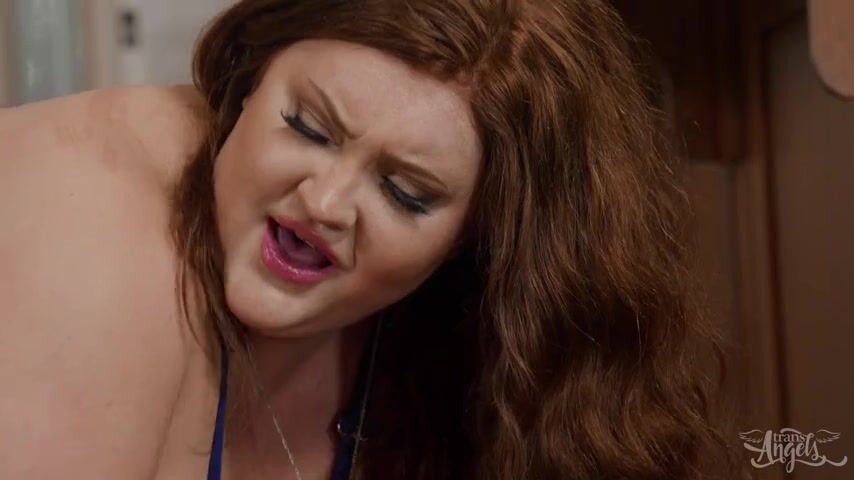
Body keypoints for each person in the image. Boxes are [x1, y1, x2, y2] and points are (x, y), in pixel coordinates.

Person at [0, 0, 740, 479]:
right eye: (307, 127)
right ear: (247, 81)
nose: (324, 203)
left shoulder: (461, 343)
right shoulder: (87, 212)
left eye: (405, 193)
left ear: (476, 235)